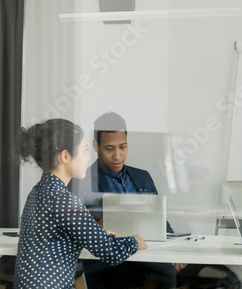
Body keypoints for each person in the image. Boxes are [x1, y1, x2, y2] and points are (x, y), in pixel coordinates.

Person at [70, 112, 241, 289]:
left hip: (151, 256)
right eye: (109, 148)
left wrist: (175, 251)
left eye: (123, 147)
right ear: (96, 146)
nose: (118, 156)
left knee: (226, 277)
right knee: (164, 276)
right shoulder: (82, 182)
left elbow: (160, 221)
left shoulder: (142, 177)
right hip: (112, 262)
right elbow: (82, 233)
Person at [14, 119, 147, 289]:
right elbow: (109, 252)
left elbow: (55, 236)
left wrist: (95, 233)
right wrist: (135, 241)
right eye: (84, 150)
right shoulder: (63, 199)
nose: (88, 157)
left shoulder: (38, 192)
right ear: (65, 156)